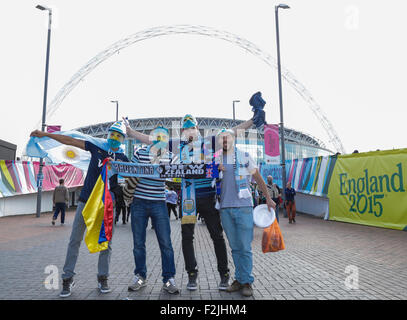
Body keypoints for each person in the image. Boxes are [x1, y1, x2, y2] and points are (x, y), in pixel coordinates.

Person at [123, 93, 266, 291]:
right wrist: (130, 132)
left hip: (207, 196)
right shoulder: (175, 144)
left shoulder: (208, 142)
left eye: (192, 127)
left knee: (217, 236)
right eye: (186, 128)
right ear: (182, 131)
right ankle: (192, 274)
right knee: (186, 236)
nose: (189, 130)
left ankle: (224, 274)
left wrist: (253, 120)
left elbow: (231, 132)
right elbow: (150, 139)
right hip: (188, 198)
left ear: (197, 129)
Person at [30, 121, 129, 298]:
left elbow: (136, 174)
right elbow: (70, 141)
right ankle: (67, 279)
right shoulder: (97, 147)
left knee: (106, 243)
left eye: (118, 135)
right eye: (112, 134)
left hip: (106, 206)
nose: (114, 138)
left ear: (123, 139)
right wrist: (46, 135)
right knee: (74, 240)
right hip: (85, 201)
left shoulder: (123, 159)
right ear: (108, 134)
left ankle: (102, 277)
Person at [215, 128, 276, 297]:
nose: (224, 140)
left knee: (245, 247)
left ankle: (247, 281)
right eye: (222, 139)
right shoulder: (216, 158)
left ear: (233, 139)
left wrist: (268, 198)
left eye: (227, 137)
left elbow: (258, 178)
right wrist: (214, 170)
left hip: (244, 208)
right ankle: (239, 279)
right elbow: (208, 178)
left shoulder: (245, 156)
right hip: (225, 208)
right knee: (235, 247)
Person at [126, 126, 179, 294]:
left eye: (163, 137)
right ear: (151, 137)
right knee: (138, 244)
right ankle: (140, 276)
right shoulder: (139, 153)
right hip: (139, 202)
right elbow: (128, 172)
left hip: (159, 203)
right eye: (157, 136)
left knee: (166, 243)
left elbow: (183, 171)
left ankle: (169, 279)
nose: (160, 139)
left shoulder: (170, 157)